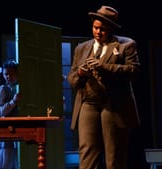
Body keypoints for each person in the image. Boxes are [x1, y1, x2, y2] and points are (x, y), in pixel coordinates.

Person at [67, 5, 141, 169]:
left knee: (113, 155)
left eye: (103, 29)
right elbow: (71, 78)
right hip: (88, 102)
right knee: (87, 152)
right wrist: (80, 73)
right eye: (95, 27)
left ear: (111, 29)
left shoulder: (125, 45)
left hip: (113, 104)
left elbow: (133, 70)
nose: (98, 32)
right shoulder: (82, 48)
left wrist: (104, 66)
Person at [0, 60, 21, 169]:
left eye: (11, 74)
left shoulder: (20, 88)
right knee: (6, 164)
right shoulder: (2, 89)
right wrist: (13, 102)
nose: (8, 76)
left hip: (21, 130)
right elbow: (0, 111)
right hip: (7, 132)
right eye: (6, 74)